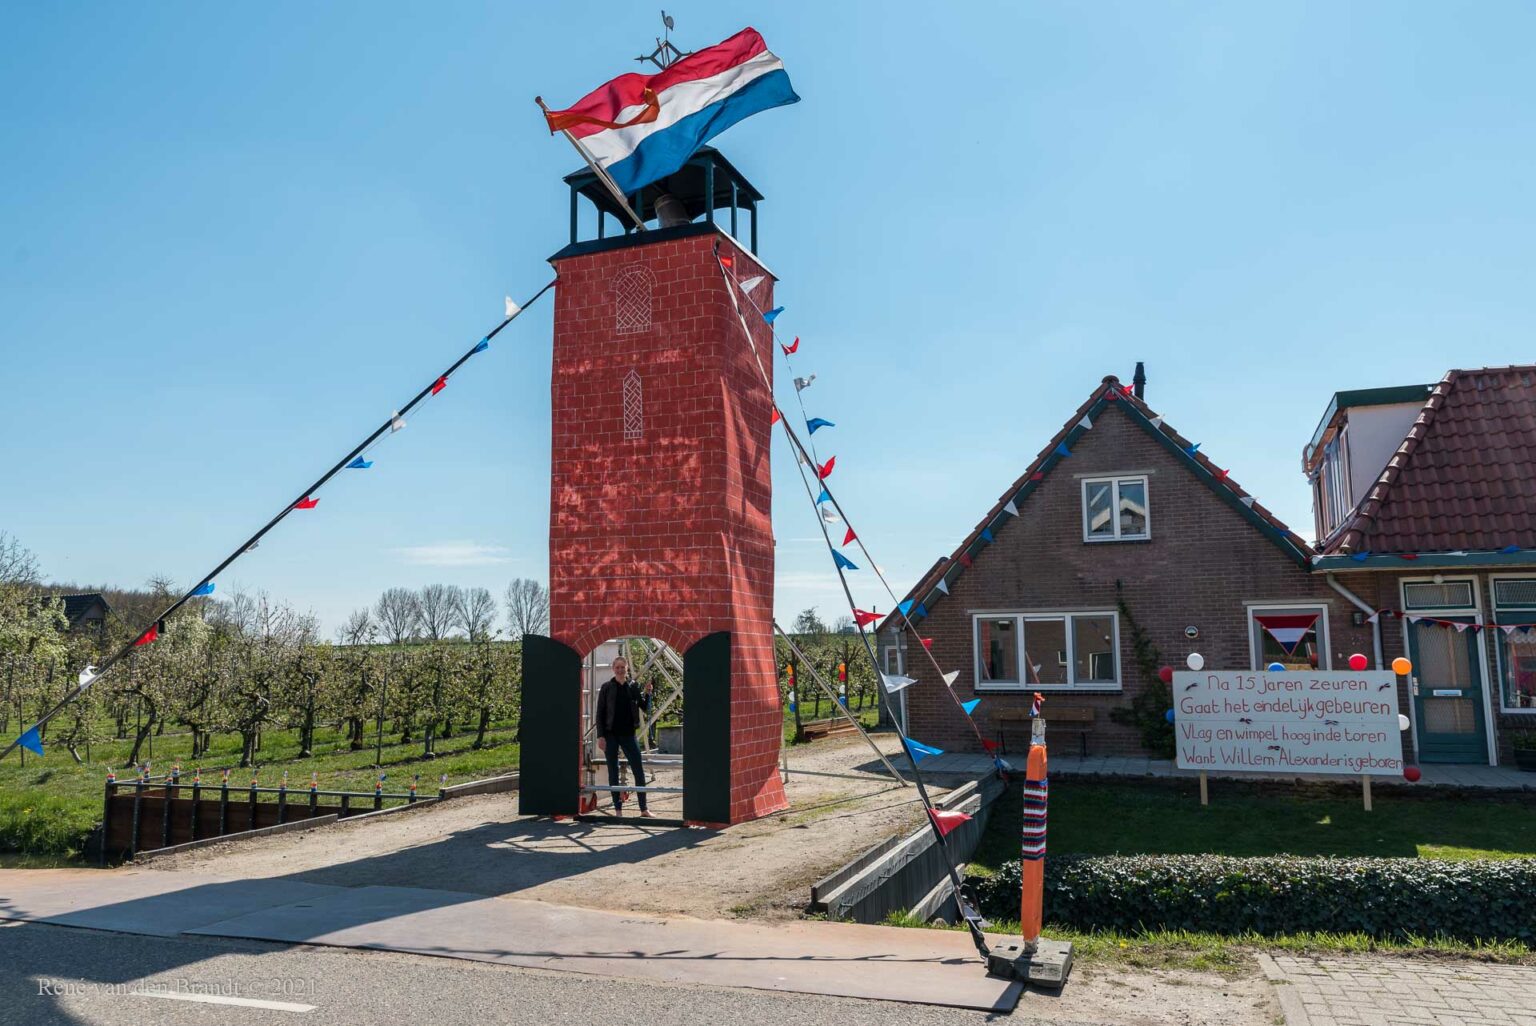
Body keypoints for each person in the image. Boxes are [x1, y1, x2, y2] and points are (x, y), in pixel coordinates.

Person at [596, 656, 655, 818]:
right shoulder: (606, 688)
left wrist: (648, 693)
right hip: (610, 735)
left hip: (629, 734)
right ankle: (618, 810)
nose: (620, 670)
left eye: (623, 667)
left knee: (638, 770)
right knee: (613, 772)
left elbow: (644, 707)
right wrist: (600, 736)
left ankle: (644, 809)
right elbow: (600, 714)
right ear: (613, 669)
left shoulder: (633, 686)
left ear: (627, 668)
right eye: (618, 667)